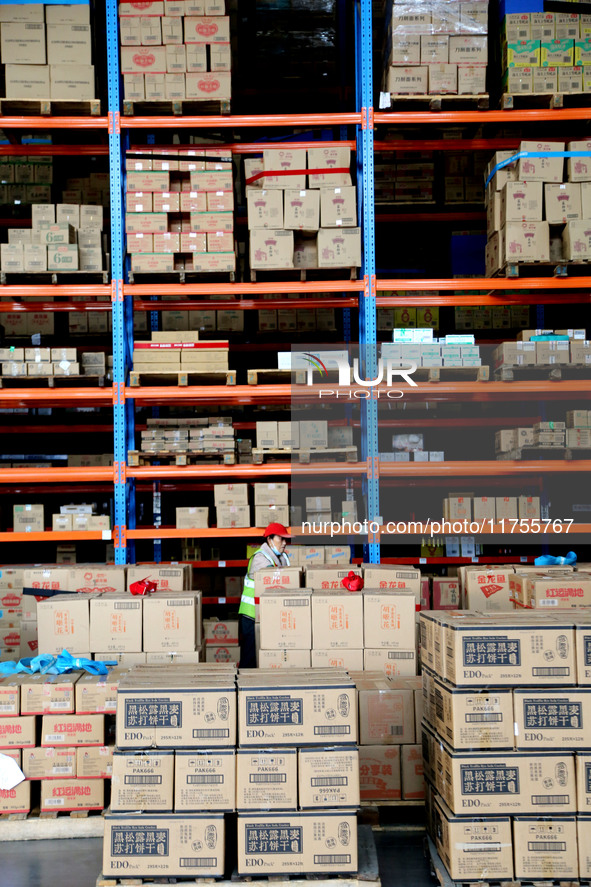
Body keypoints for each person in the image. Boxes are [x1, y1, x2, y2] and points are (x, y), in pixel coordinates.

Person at [238, 522, 290, 668]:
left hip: (268, 616)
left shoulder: (283, 557)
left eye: (286, 539)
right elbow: (272, 578)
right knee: (250, 659)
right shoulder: (260, 558)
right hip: (252, 616)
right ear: (269, 539)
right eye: (281, 539)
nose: (285, 543)